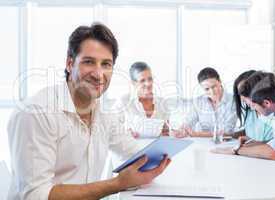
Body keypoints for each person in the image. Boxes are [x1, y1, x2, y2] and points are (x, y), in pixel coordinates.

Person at [7, 23, 170, 200]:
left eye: (106, 64)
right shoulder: (36, 113)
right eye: (89, 62)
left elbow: (134, 153)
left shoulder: (104, 113)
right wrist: (117, 184)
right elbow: (36, 196)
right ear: (70, 63)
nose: (98, 74)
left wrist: (163, 150)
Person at [212, 71, 275, 160]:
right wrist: (257, 144)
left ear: (266, 103)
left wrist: (236, 150)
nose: (253, 109)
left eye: (253, 105)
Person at [173, 67, 237, 138]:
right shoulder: (198, 102)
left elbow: (228, 132)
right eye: (207, 89)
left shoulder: (233, 101)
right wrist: (182, 130)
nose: (212, 92)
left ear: (220, 81)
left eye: (214, 87)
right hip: (202, 143)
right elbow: (188, 122)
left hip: (224, 144)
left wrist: (197, 134)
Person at [117, 61, 169, 138]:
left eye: (150, 79)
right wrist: (125, 134)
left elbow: (167, 133)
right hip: (133, 148)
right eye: (142, 80)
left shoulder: (162, 103)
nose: (148, 84)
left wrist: (168, 131)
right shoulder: (124, 102)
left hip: (157, 149)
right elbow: (112, 132)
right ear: (133, 83)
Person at [232, 70, 273, 142]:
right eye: (240, 94)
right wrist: (231, 135)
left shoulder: (271, 109)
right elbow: (251, 131)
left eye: (245, 92)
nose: (242, 98)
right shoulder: (250, 111)